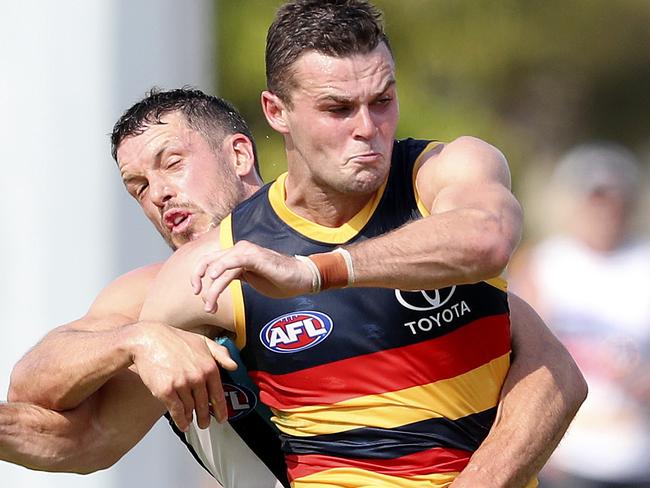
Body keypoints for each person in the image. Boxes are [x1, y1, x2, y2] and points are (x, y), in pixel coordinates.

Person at [129, 1, 583, 486]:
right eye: (338, 109)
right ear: (276, 111)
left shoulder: (442, 173)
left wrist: (316, 271)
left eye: (382, 100)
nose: (367, 128)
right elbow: (68, 434)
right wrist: (133, 342)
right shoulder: (215, 264)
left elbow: (488, 240)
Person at [511, 142, 650, 488]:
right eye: (595, 199)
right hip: (563, 458)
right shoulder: (541, 265)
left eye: (613, 200)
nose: (604, 211)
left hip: (634, 453)